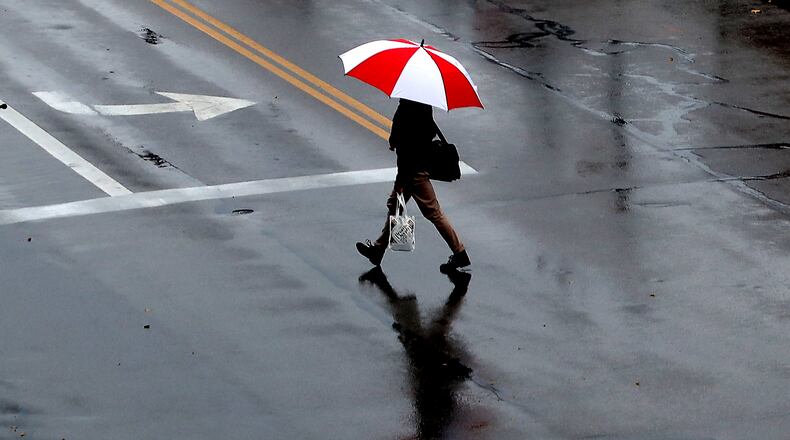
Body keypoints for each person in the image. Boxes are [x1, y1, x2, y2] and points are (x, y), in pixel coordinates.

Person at [356, 98, 470, 272]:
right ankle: (378, 250)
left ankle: (460, 252)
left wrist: (401, 181)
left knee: (433, 212)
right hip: (417, 166)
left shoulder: (407, 108)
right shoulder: (424, 104)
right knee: (395, 206)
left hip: (412, 171)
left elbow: (406, 149)